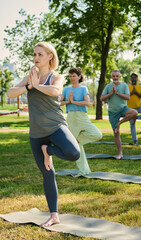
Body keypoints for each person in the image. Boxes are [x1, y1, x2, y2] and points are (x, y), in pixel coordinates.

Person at [7, 42, 80, 227]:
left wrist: (36, 85)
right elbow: (11, 92)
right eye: (34, 54)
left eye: (40, 54)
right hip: (36, 133)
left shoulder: (56, 76)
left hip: (56, 127)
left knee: (74, 153)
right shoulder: (30, 77)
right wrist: (29, 86)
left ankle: (48, 150)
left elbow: (55, 90)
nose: (36, 58)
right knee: (48, 174)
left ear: (50, 56)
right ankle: (54, 215)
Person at [60, 67, 102, 176]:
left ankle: (78, 141)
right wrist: (68, 101)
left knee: (97, 134)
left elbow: (87, 102)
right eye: (70, 76)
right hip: (71, 117)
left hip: (82, 116)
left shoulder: (83, 88)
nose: (72, 78)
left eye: (74, 76)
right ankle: (83, 171)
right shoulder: (66, 89)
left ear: (79, 77)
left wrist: (73, 101)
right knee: (77, 148)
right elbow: (58, 103)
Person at [100, 70, 138, 159]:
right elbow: (101, 98)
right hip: (112, 112)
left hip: (123, 109)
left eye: (117, 76)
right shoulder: (108, 86)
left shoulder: (124, 85)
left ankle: (119, 123)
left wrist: (117, 93)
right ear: (111, 77)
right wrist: (111, 93)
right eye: (114, 76)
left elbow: (128, 97)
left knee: (134, 112)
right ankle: (120, 153)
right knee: (116, 133)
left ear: (120, 77)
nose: (115, 77)